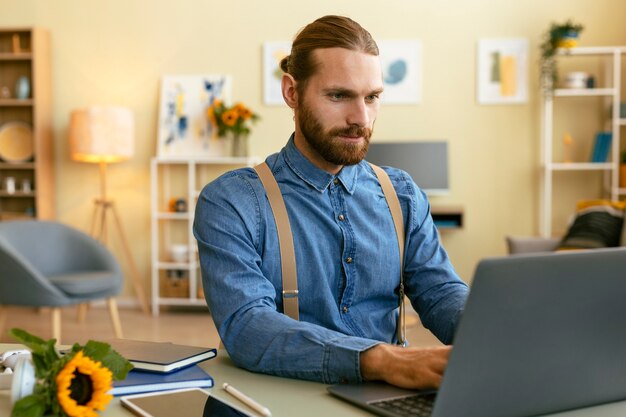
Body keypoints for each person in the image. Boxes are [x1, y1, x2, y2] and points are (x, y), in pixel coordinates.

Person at [193, 15, 469, 390]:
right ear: (291, 92)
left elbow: (440, 292)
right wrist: (381, 359)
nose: (361, 118)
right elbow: (246, 325)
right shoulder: (232, 201)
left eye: (372, 97)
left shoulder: (402, 193)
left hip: (386, 396)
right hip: (281, 400)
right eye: (339, 96)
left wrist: (492, 333)